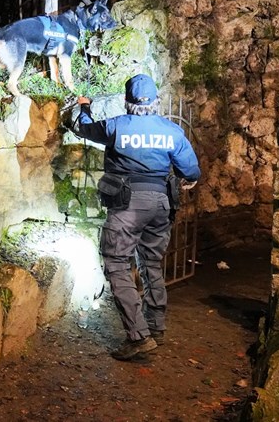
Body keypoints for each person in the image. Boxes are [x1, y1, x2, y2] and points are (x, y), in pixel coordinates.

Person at [75, 74, 200, 361]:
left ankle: (138, 336)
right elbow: (191, 171)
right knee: (152, 263)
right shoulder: (171, 131)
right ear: (156, 102)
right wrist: (187, 180)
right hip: (161, 203)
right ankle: (156, 328)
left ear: (126, 101)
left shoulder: (117, 125)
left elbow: (83, 129)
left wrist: (84, 107)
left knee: (117, 263)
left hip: (127, 203)